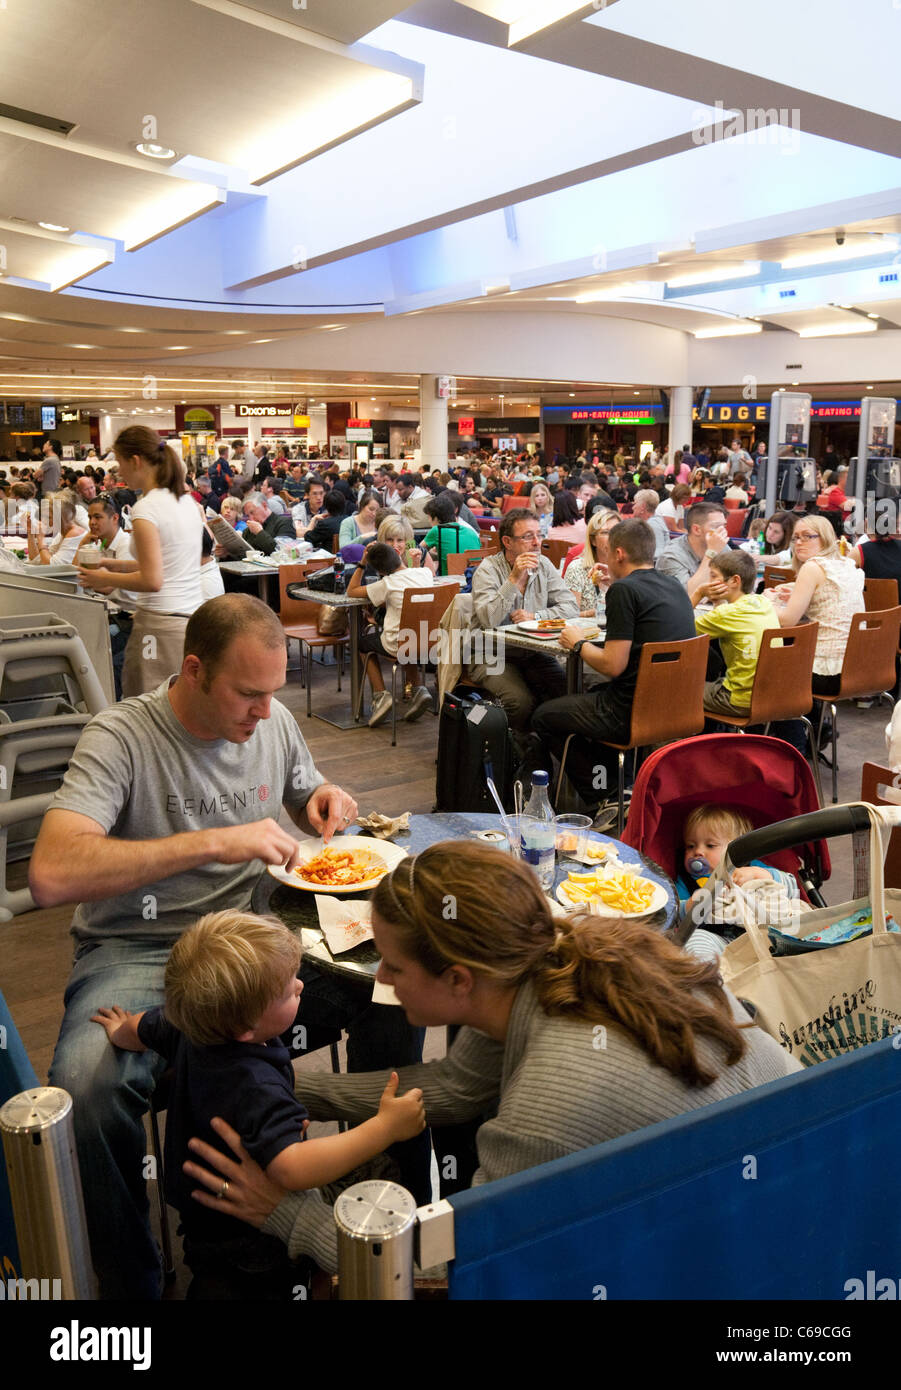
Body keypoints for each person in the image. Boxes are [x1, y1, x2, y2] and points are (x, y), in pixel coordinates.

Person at [181, 840, 801, 1272]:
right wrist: (282, 1088)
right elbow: (455, 1086)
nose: (385, 982)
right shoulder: (556, 955)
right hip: (805, 1171)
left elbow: (459, 1267)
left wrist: (287, 1216)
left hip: (755, 1260)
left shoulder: (539, 1115)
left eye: (393, 965)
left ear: (456, 979)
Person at [28, 594, 405, 1300]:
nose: (264, 712)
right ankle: (131, 1287)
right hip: (138, 948)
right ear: (193, 670)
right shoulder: (121, 736)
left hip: (258, 936)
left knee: (395, 987)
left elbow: (302, 794)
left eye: (273, 694)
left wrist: (323, 796)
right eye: (248, 694)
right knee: (87, 1089)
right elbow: (51, 873)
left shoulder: (273, 717)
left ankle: (363, 1205)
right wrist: (216, 840)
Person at [92, 911, 424, 1299]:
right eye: (288, 990)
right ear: (246, 1028)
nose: (301, 986)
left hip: (203, 1223)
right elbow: (291, 1170)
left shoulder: (190, 1023)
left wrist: (119, 1030)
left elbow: (141, 1027)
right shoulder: (255, 1085)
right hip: (255, 1238)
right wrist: (382, 1128)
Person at [532, 519, 696, 806]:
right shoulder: (673, 585)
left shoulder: (624, 592)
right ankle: (622, 786)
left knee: (544, 716)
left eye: (607, 553)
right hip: (675, 708)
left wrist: (578, 644)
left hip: (630, 713)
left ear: (618, 554)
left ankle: (605, 797)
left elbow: (612, 665)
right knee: (590, 698)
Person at [77, 426, 203, 697]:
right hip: (187, 620)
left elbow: (152, 580)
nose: (118, 472)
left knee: (146, 708)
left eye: (120, 463)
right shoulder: (186, 502)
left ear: (135, 461)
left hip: (158, 624)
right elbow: (167, 563)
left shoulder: (146, 508)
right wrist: (112, 565)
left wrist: (102, 578)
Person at [469, 509, 579, 731]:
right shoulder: (488, 570)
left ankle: (542, 744)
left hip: (533, 652)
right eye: (528, 536)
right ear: (507, 542)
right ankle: (511, 752)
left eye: (539, 535)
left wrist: (536, 617)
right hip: (491, 654)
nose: (537, 543)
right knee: (519, 703)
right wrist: (513, 579)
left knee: (568, 695)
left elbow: (571, 607)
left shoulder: (544, 565)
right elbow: (488, 619)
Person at [770, 514, 865, 699]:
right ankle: (816, 724)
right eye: (796, 537)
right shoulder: (846, 563)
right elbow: (831, 597)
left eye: (808, 536)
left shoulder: (813, 566)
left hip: (827, 673)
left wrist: (765, 603)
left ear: (825, 538)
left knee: (766, 667)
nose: (799, 542)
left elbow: (788, 621)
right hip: (858, 666)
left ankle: (795, 725)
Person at [347, 541, 434, 726]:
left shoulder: (387, 583)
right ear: (397, 554)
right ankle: (418, 689)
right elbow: (415, 578)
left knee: (362, 643)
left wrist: (362, 563)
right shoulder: (425, 573)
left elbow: (351, 591)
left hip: (399, 643)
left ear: (380, 572)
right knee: (410, 637)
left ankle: (381, 696)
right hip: (429, 641)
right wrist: (415, 563)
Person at [691, 549, 780, 718]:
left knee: (677, 691)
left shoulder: (726, 614)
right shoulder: (763, 602)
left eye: (713, 576)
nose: (709, 582)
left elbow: (681, 630)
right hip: (769, 694)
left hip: (738, 699)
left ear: (734, 580)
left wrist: (698, 593)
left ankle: (692, 742)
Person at [74, 496, 137, 698]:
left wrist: (90, 579)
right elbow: (75, 573)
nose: (92, 522)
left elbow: (108, 586)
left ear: (115, 518)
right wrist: (83, 542)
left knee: (91, 650)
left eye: (98, 517)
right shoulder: (100, 545)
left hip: (129, 618)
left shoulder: (125, 545)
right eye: (90, 517)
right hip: (108, 612)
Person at [656, 500, 731, 601]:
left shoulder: (722, 548)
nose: (723, 531)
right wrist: (711, 553)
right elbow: (686, 597)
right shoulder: (671, 556)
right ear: (696, 530)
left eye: (724, 526)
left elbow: (739, 587)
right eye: (716, 526)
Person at [565, 507, 620, 614]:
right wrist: (593, 614)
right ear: (593, 540)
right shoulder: (577, 568)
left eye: (617, 531)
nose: (613, 537)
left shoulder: (627, 568)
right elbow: (570, 615)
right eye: (605, 532)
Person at [420, 493, 481, 574]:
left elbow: (418, 551)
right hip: (472, 578)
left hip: (449, 580)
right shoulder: (471, 531)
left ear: (436, 517)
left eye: (429, 517)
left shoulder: (438, 530)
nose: (428, 521)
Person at [25, 498, 86, 565]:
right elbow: (36, 559)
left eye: (48, 518)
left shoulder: (75, 533)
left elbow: (52, 566)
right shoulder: (61, 533)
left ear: (61, 518)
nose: (44, 521)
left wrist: (40, 539)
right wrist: (30, 533)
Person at [631, 488, 670, 557]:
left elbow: (658, 554)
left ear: (643, 507)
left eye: (635, 503)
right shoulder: (654, 521)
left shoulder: (653, 525)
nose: (632, 507)